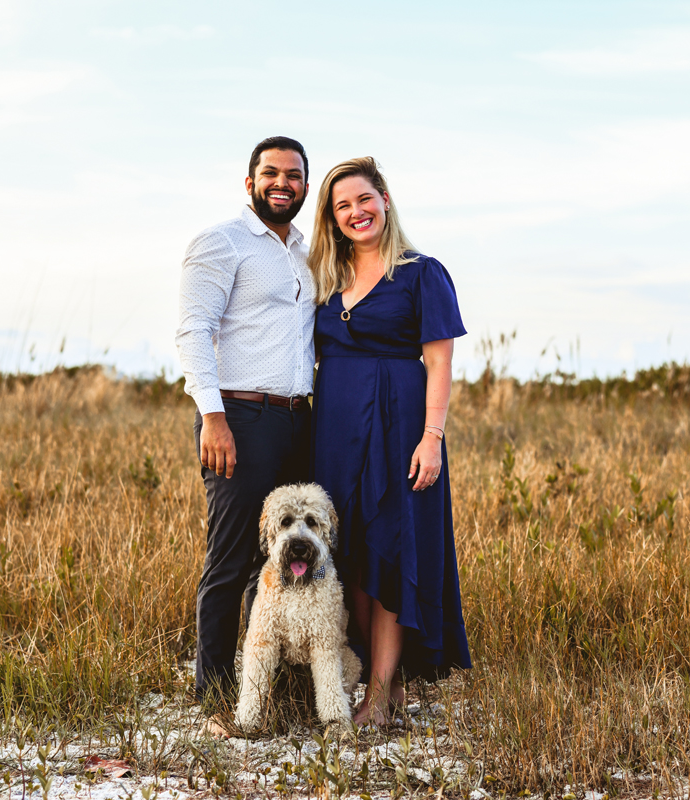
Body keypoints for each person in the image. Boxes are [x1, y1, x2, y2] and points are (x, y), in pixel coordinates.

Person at [307, 157, 471, 726]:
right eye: (342, 206)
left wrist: (432, 437)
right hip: (334, 433)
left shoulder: (422, 273)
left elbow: (440, 361)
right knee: (350, 554)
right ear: (332, 218)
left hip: (401, 428)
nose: (356, 213)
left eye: (363, 200)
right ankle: (386, 677)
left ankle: (376, 697)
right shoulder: (323, 278)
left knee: (393, 551)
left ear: (384, 199)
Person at [175, 136, 316, 735]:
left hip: (299, 420)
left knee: (292, 560)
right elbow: (192, 330)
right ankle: (215, 696)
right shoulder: (221, 242)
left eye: (294, 175)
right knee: (231, 560)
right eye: (271, 173)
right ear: (250, 181)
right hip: (239, 417)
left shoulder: (307, 251)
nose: (282, 183)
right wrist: (212, 416)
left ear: (306, 185)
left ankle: (280, 689)